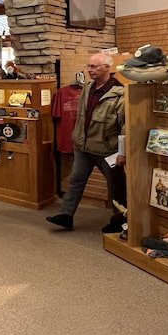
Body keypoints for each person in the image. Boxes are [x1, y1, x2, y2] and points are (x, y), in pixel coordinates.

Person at [46, 52, 126, 232]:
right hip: (83, 147)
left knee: (116, 187)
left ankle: (120, 220)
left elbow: (125, 126)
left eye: (95, 67)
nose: (90, 70)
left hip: (107, 150)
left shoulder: (119, 94)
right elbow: (81, 117)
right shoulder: (87, 89)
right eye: (89, 66)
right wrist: (76, 137)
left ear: (107, 67)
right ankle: (66, 216)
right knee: (76, 181)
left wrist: (122, 152)